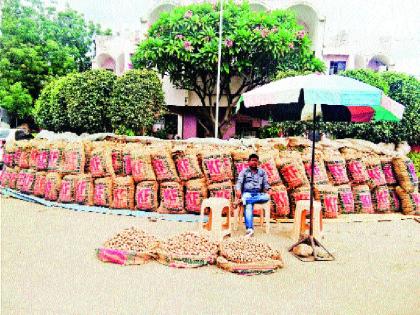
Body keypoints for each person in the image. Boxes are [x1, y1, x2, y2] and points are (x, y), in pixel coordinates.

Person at [235, 154, 271, 237]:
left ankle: (244, 200)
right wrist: (238, 189)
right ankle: (249, 229)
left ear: (258, 162)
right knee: (248, 206)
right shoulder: (244, 171)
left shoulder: (262, 172)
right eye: (252, 160)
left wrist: (268, 189)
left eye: (256, 160)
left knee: (267, 197)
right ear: (248, 162)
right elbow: (239, 182)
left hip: (258, 194)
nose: (254, 162)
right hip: (247, 193)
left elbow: (266, 184)